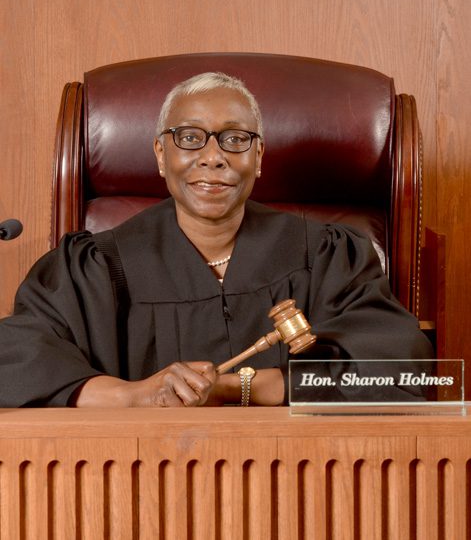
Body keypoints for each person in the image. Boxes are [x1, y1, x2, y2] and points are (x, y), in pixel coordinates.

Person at [0, 72, 433, 408]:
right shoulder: (94, 267)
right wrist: (133, 396)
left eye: (235, 139)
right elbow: (15, 359)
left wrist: (239, 388)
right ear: (160, 155)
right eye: (189, 138)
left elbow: (403, 366)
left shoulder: (325, 255)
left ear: (258, 157)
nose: (213, 157)